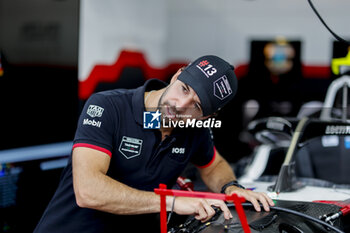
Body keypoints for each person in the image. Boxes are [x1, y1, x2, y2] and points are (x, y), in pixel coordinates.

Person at [34, 55, 274, 233]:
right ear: (177, 74)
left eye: (196, 106)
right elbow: (88, 191)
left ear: (206, 118)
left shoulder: (193, 128)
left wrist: (230, 188)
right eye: (184, 88)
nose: (181, 105)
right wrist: (173, 202)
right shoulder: (108, 107)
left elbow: (212, 164)